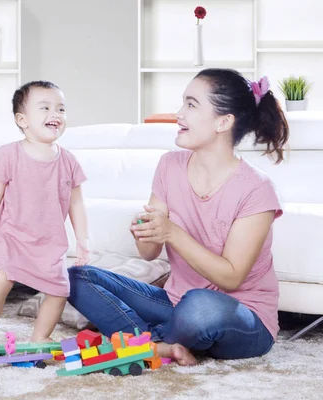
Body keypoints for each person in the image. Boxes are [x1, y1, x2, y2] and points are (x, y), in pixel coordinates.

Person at [68, 69, 289, 366]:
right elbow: (149, 254)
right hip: (174, 303)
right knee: (75, 277)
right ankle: (160, 346)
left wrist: (172, 233)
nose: (179, 114)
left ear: (223, 122)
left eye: (191, 104)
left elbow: (231, 276)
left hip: (241, 315)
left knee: (199, 308)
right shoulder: (170, 165)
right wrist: (146, 233)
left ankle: (141, 339)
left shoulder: (257, 189)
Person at [0, 81, 90, 346]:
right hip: (11, 237)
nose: (55, 114)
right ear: (22, 120)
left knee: (60, 291)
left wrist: (83, 240)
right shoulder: (9, 154)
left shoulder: (68, 161)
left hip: (49, 243)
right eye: (45, 108)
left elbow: (76, 204)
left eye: (61, 109)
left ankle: (41, 336)